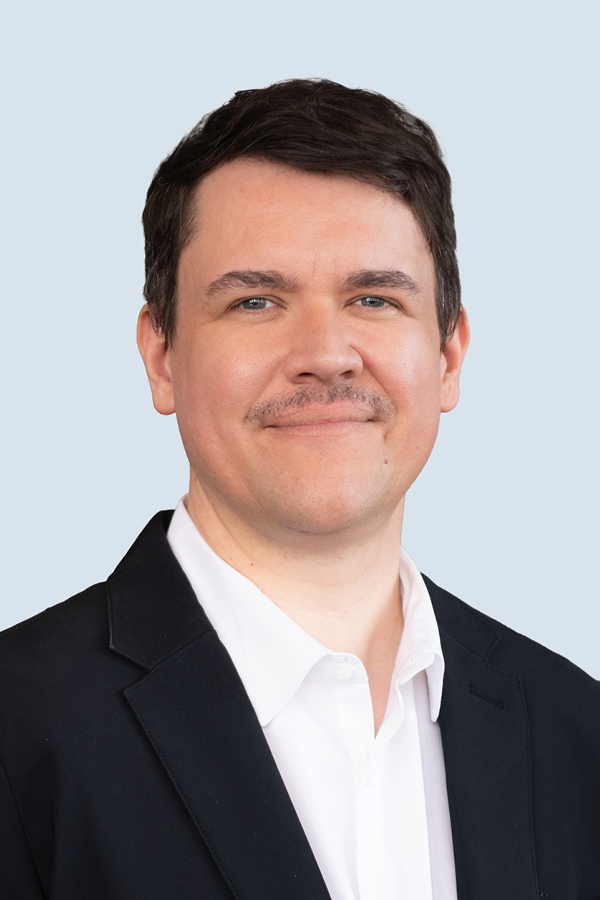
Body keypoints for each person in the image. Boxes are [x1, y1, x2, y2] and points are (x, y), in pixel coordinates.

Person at [0, 79, 598, 900]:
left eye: (374, 298)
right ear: (161, 356)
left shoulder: (574, 734)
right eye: (256, 300)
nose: (326, 353)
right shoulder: (19, 729)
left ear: (448, 356)